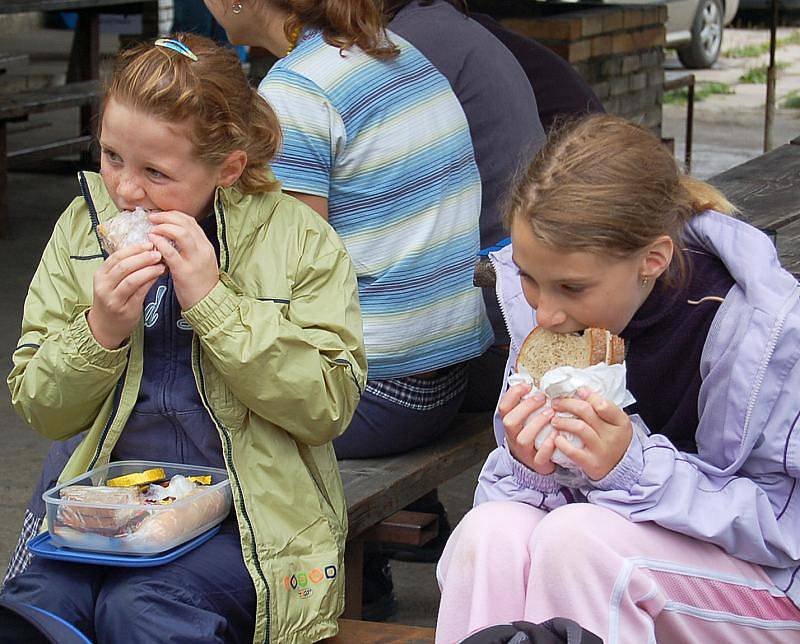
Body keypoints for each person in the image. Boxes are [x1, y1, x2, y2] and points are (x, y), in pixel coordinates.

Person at [2, 34, 366, 644]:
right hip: (102, 509)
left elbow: (329, 404)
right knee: (38, 608)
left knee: (141, 606)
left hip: (250, 523)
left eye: (156, 173)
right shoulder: (78, 231)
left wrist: (216, 306)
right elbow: (41, 407)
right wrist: (100, 331)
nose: (125, 191)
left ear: (228, 168)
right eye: (112, 157)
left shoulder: (298, 239)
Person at [435, 114, 800, 643]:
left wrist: (633, 470)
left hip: (765, 595)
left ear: (653, 260)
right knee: (489, 534)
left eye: (571, 287)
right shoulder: (551, 322)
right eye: (530, 279)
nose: (545, 314)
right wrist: (531, 468)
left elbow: (785, 529)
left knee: (578, 542)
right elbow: (533, 500)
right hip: (620, 565)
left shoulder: (765, 333)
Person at [202, 0, 493, 619]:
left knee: (182, 407)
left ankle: (273, 597)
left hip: (379, 394)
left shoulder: (295, 93)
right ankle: (370, 580)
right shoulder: (393, 52)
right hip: (444, 379)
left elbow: (285, 286)